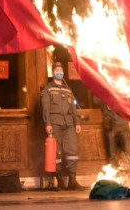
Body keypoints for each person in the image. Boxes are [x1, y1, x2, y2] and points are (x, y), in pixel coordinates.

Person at [41, 61, 84, 191]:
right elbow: (45, 109)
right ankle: (59, 181)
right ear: (53, 72)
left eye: (61, 69)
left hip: (69, 124)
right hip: (55, 124)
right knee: (56, 153)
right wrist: (47, 123)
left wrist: (77, 122)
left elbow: (74, 108)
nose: (59, 71)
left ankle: (72, 181)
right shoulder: (48, 88)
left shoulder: (68, 89)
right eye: (56, 70)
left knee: (72, 152)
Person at [95, 97, 130, 174]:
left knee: (128, 151)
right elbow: (96, 100)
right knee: (112, 153)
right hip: (111, 127)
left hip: (124, 125)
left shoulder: (121, 90)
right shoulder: (104, 93)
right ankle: (114, 174)